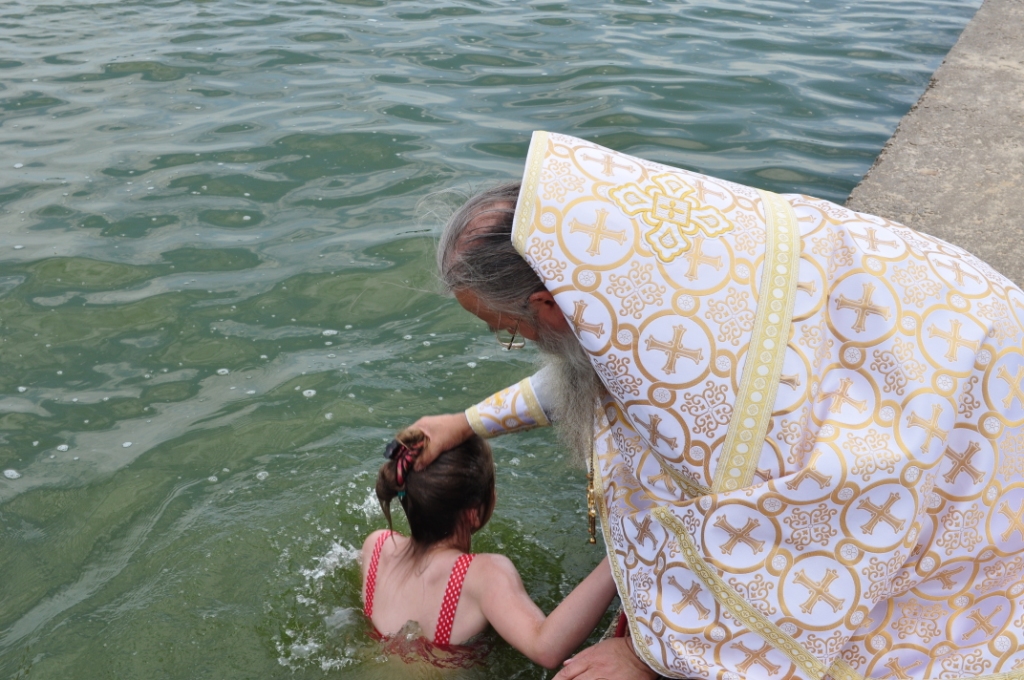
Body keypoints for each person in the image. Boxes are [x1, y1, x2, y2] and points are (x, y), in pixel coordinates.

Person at [408, 131, 1024, 679]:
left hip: (979, 418)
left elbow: (773, 547)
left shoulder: (716, 394)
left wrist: (650, 656)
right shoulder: (636, 265)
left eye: (509, 331)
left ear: (549, 304)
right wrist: (465, 422)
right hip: (961, 321)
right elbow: (592, 369)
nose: (517, 343)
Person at [361, 427, 619, 671]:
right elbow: (546, 648)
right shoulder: (482, 575)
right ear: (474, 513)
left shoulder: (377, 546)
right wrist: (620, 555)